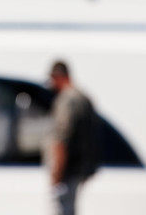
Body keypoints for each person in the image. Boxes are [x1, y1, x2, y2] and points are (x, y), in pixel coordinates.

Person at [47, 61, 99, 215]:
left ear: (58, 77)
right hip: (81, 168)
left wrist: (57, 173)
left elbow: (61, 138)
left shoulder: (67, 100)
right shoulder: (83, 97)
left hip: (67, 170)